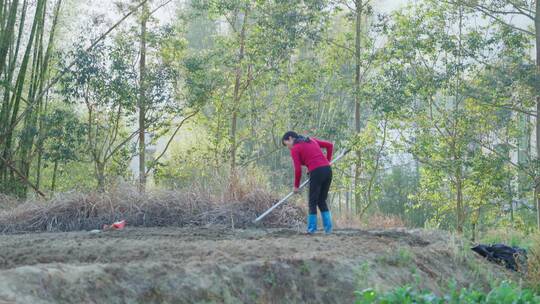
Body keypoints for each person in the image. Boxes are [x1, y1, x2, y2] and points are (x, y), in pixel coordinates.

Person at [282, 131, 334, 234]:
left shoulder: (295, 149)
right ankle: (328, 229)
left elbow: (297, 169)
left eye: (286, 144)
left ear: (291, 138)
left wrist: (296, 186)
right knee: (321, 201)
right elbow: (330, 146)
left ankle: (311, 229)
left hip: (316, 172)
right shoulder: (311, 140)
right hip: (328, 171)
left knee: (312, 202)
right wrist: (327, 162)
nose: (288, 147)